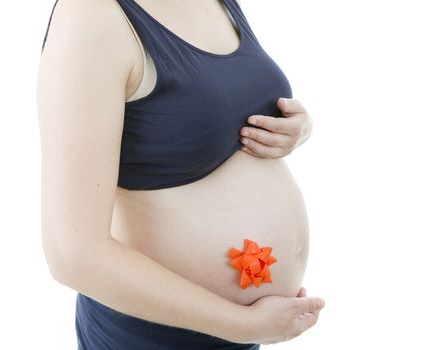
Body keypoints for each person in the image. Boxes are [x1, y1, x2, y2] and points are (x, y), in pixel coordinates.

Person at [36, 0, 325, 348]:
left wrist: (297, 128)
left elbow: (217, 103)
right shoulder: (91, 15)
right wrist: (242, 324)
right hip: (152, 338)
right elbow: (74, 256)